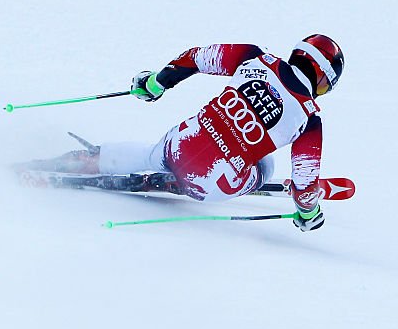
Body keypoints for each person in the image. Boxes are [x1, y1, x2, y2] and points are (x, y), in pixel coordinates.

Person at [24, 36, 344, 232]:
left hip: (178, 143)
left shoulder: (255, 56)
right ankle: (183, 183)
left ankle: (78, 161)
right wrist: (308, 213)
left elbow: (196, 57)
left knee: (153, 153)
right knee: (267, 164)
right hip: (210, 184)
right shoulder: (309, 119)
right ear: (323, 80)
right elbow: (304, 184)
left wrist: (155, 84)